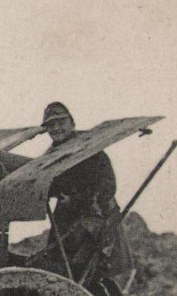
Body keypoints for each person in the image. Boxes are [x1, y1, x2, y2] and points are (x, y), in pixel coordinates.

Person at [42, 102, 120, 280]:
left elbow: (108, 186)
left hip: (94, 217)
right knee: (55, 263)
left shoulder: (91, 149)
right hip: (65, 218)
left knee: (83, 269)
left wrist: (77, 200)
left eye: (60, 123)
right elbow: (52, 184)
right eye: (51, 125)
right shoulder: (52, 155)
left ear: (72, 123)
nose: (56, 129)